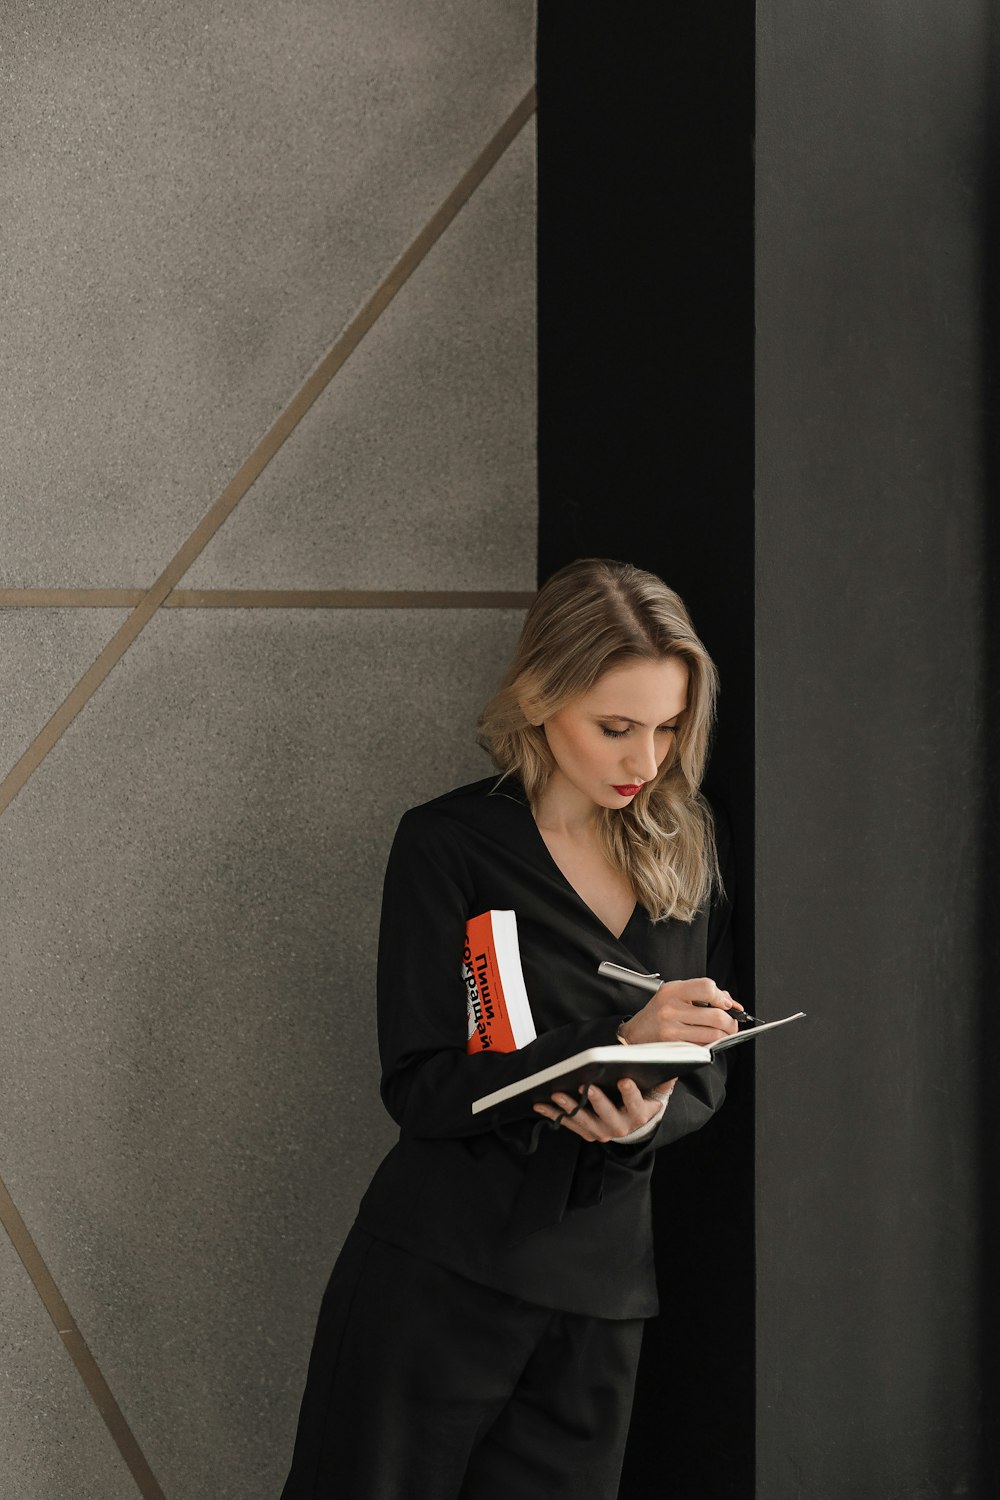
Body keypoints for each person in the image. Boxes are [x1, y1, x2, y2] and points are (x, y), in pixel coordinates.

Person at [279, 557, 741, 1500]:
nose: (645, 763)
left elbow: (702, 1070)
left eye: (666, 728)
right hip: (439, 1274)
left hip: (602, 1294)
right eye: (616, 728)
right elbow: (420, 1087)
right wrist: (604, 1045)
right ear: (541, 700)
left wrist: (649, 1115)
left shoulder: (686, 846)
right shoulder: (447, 845)